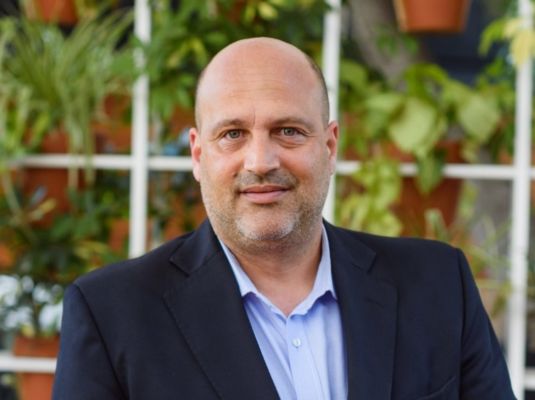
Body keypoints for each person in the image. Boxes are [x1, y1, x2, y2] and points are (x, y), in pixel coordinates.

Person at [53, 37, 515, 400]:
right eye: (232, 134)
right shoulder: (111, 315)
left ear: (329, 147)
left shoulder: (439, 285)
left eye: (288, 131)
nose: (260, 161)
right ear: (197, 154)